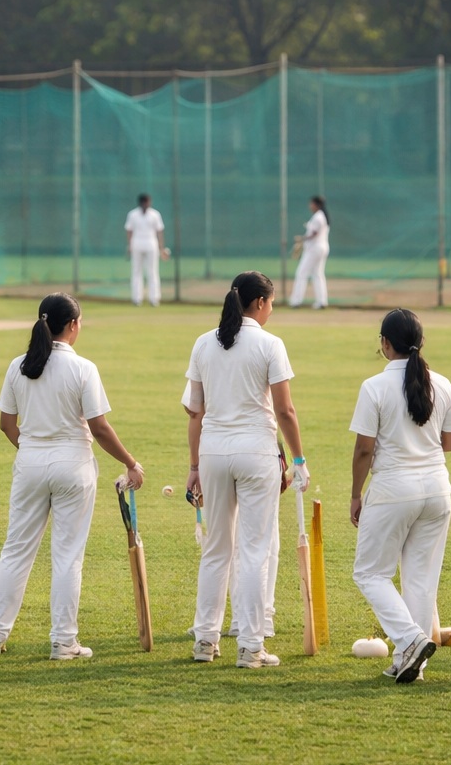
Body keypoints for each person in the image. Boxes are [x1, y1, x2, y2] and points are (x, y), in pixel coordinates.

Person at [0, 293, 146, 660]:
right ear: (72, 325)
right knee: (68, 556)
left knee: (16, 551)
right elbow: (99, 428)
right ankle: (63, 641)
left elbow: (7, 425)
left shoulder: (19, 365)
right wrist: (131, 463)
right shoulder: (82, 368)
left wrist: (33, 450)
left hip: (30, 464)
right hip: (73, 465)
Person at [184, 271, 307, 669]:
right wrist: (299, 460)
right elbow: (285, 410)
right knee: (254, 551)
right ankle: (251, 646)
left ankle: (205, 640)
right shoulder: (270, 344)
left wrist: (194, 466)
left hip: (214, 453)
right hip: (256, 452)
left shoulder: (204, 342)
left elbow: (194, 413)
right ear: (259, 303)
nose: (272, 310)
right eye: (272, 303)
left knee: (216, 549)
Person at [349, 309, 451, 684]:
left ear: (385, 344)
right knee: (421, 580)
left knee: (370, 573)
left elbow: (364, 449)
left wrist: (355, 495)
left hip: (393, 490)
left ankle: (411, 640)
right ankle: (410, 662)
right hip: (437, 490)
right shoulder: (441, 384)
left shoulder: (374, 387)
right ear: (421, 342)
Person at [124, 193, 169, 307]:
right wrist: (130, 245)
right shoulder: (133, 214)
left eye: (148, 202)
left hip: (151, 243)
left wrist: (161, 248)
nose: (147, 204)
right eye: (145, 202)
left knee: (152, 271)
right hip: (137, 243)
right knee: (136, 271)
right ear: (141, 203)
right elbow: (129, 230)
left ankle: (154, 299)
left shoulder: (155, 214)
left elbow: (159, 232)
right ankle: (137, 299)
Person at [289, 195, 330, 309]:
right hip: (320, 247)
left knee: (301, 273)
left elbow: (314, 233)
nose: (310, 206)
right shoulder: (322, 216)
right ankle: (322, 302)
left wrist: (302, 239)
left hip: (314, 249)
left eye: (311, 203)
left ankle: (296, 301)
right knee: (317, 274)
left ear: (317, 204)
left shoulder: (318, 217)